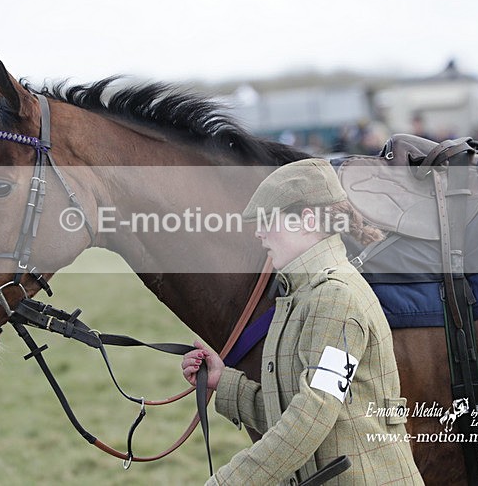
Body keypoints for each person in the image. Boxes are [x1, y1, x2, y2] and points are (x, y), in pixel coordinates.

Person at [181, 158, 423, 485]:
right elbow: (296, 416)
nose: (259, 232)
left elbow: (312, 415)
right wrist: (223, 383)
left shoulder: (335, 297)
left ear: (307, 220)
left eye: (269, 220)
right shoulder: (299, 297)